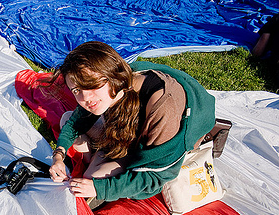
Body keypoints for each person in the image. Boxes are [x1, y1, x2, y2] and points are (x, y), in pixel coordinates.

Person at [48, 41, 215, 204]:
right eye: (77, 90)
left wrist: (101, 188)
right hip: (122, 131)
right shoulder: (111, 88)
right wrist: (58, 156)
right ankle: (99, 158)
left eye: (91, 85)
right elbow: (75, 122)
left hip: (148, 144)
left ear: (112, 74)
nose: (85, 98)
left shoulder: (164, 109)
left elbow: (155, 178)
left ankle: (107, 161)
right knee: (67, 119)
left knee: (93, 178)